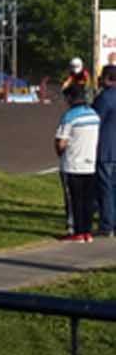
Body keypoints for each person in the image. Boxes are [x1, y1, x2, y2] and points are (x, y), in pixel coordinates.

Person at [56, 84, 100, 242]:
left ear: (70, 98)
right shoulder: (94, 115)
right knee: (88, 200)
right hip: (90, 162)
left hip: (73, 163)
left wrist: (60, 153)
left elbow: (61, 142)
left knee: (73, 200)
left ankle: (76, 231)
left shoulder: (69, 116)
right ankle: (87, 232)